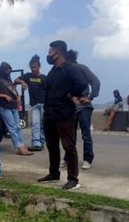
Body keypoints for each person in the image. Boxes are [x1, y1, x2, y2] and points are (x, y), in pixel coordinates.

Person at [37, 40, 88, 191]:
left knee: (68, 146)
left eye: (49, 52)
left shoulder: (70, 69)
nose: (48, 55)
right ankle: (54, 174)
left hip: (64, 114)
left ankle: (73, 179)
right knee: (52, 146)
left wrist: (70, 95)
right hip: (50, 114)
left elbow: (82, 84)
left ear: (57, 53)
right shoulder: (53, 71)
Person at [62, 49, 101, 170]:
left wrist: (90, 97)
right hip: (71, 107)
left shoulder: (81, 68)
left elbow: (95, 82)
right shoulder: (66, 71)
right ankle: (69, 158)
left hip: (84, 107)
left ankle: (88, 159)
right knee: (70, 135)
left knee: (84, 134)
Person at [0, 62, 33, 156]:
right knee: (12, 128)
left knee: (18, 127)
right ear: (2, 70)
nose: (8, 72)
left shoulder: (9, 80)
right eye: (6, 70)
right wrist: (4, 96)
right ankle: (19, 147)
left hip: (13, 106)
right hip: (5, 107)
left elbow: (13, 91)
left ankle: (22, 145)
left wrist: (18, 96)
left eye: (9, 70)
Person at [15, 54, 47, 152]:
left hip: (44, 104)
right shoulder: (28, 76)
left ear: (39, 67)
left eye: (35, 67)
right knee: (35, 124)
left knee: (42, 124)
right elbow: (15, 80)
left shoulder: (44, 78)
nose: (33, 69)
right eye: (32, 67)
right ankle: (36, 143)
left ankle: (41, 143)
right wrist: (22, 82)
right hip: (34, 104)